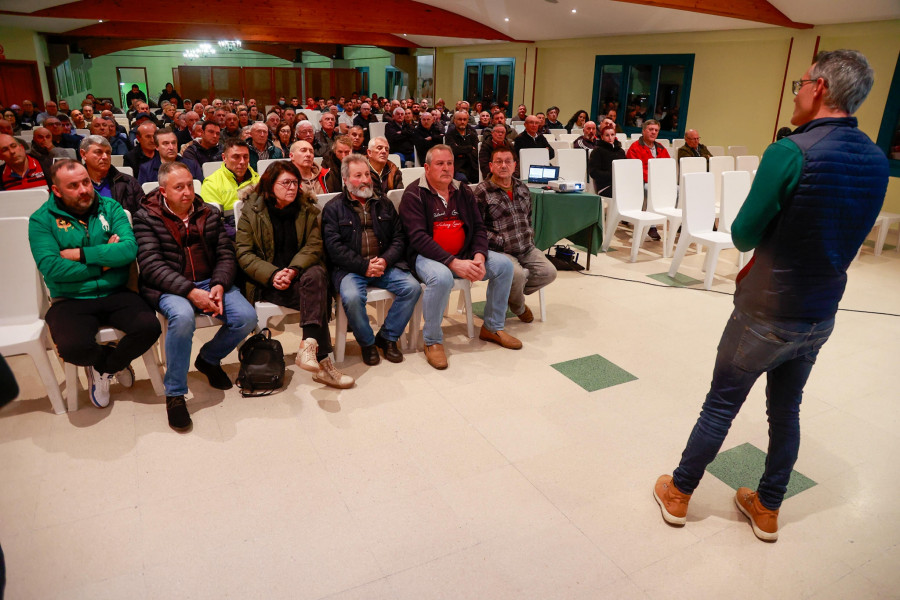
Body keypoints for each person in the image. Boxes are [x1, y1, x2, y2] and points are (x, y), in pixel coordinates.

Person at [653, 50, 889, 542]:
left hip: (767, 308)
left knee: (720, 405)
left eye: (801, 83)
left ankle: (678, 492)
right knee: (787, 409)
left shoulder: (791, 150)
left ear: (819, 87)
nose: (796, 92)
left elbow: (741, 234)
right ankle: (768, 505)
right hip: (821, 311)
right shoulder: (875, 158)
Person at [28, 160, 162, 408]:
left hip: (117, 291)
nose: (84, 189)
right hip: (70, 298)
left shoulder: (110, 207)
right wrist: (105, 261)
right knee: (73, 348)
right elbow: (52, 267)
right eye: (73, 185)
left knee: (149, 328)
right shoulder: (41, 220)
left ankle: (106, 366)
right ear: (56, 191)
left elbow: (128, 250)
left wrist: (81, 254)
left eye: (86, 182)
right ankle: (107, 361)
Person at [134, 162, 257, 432]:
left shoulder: (207, 212)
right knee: (182, 316)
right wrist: (191, 292)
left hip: (209, 280)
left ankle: (209, 359)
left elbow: (226, 252)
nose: (187, 192)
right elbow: (152, 265)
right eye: (179, 187)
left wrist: (219, 284)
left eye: (190, 185)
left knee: (246, 317)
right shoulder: (146, 216)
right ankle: (175, 393)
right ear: (163, 191)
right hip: (169, 287)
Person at [399, 145, 520, 370]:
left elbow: (478, 228)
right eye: (440, 164)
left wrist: (479, 256)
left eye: (449, 164)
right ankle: (432, 341)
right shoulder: (414, 194)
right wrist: (453, 262)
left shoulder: (463, 190)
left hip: (464, 254)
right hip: (426, 257)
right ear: (426, 168)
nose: (446, 169)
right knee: (442, 278)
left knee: (504, 265)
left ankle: (493, 326)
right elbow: (418, 239)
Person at [235, 161, 354, 389]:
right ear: (270, 185)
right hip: (267, 281)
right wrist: (273, 274)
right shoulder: (252, 210)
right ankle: (323, 364)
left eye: (295, 182)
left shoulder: (307, 208)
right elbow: (244, 253)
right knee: (317, 293)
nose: (292, 187)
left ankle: (308, 345)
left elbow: (314, 245)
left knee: (317, 274)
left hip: (299, 275)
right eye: (285, 182)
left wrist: (293, 269)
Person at [321, 154, 421, 365]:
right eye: (358, 175)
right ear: (346, 181)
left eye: (367, 174)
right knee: (352, 296)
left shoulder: (383, 203)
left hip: (383, 265)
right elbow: (334, 248)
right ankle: (367, 343)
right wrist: (364, 266)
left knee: (412, 287)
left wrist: (384, 261)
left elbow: (399, 238)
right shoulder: (333, 208)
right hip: (350, 269)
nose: (366, 179)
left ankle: (387, 337)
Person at [474, 146, 556, 323]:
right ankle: (518, 306)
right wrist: (500, 241)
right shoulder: (483, 191)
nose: (503, 165)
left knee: (549, 272)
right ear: (491, 166)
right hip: (499, 251)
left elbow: (528, 217)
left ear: (514, 165)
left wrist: (529, 237)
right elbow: (476, 228)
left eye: (508, 161)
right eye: (499, 162)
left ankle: (512, 292)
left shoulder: (522, 188)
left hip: (526, 247)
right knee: (516, 274)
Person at [203, 138, 260, 236]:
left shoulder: (259, 180)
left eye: (245, 157)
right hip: (230, 235)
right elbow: (214, 221)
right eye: (236, 157)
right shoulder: (211, 183)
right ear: (224, 157)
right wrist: (241, 237)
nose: (242, 162)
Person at [625, 119, 669, 240]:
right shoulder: (635, 147)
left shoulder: (661, 148)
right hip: (640, 183)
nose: (653, 132)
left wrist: (664, 181)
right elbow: (635, 170)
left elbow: (667, 167)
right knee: (651, 191)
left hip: (658, 182)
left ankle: (671, 219)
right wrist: (654, 180)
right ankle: (651, 225)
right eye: (651, 130)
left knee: (678, 191)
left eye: (656, 130)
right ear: (644, 131)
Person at [80, 135, 143, 213]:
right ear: (83, 154)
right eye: (98, 152)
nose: (105, 157)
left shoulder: (129, 182)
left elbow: (143, 215)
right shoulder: (74, 184)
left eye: (108, 152)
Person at [137, 128, 203, 185]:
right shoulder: (146, 169)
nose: (171, 147)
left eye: (174, 143)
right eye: (166, 143)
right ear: (157, 147)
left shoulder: (192, 165)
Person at [588, 124, 626, 195]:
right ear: (602, 137)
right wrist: (612, 175)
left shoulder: (620, 151)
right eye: (607, 135)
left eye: (612, 135)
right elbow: (594, 172)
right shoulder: (597, 151)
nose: (610, 138)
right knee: (623, 191)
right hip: (605, 186)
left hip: (620, 183)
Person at [444, 111, 479, 184]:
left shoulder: (472, 134)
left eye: (464, 119)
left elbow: (477, 152)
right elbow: (453, 150)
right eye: (460, 119)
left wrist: (461, 150)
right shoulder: (450, 134)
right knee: (462, 179)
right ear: (455, 121)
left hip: (472, 165)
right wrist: (470, 148)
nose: (462, 122)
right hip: (457, 166)